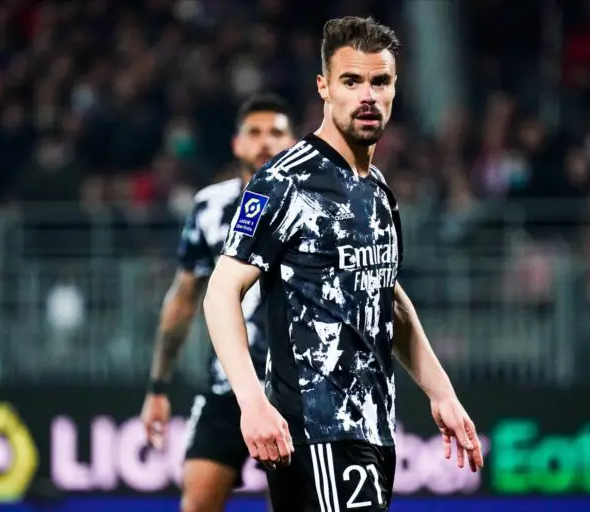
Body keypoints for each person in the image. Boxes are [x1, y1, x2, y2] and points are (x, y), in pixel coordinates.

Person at [203, 16, 485, 512]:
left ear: (395, 88)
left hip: (373, 431)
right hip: (317, 430)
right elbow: (221, 290)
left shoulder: (378, 189)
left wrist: (441, 392)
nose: (367, 96)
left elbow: (384, 296)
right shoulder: (285, 182)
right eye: (351, 81)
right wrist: (251, 402)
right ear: (324, 88)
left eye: (380, 82)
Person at [140, 93, 296, 512]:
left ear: (293, 142)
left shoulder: (314, 206)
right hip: (229, 385)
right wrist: (157, 387)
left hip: (298, 388)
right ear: (237, 144)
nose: (265, 142)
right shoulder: (210, 207)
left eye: (276, 132)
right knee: (197, 503)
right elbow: (182, 300)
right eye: (254, 133)